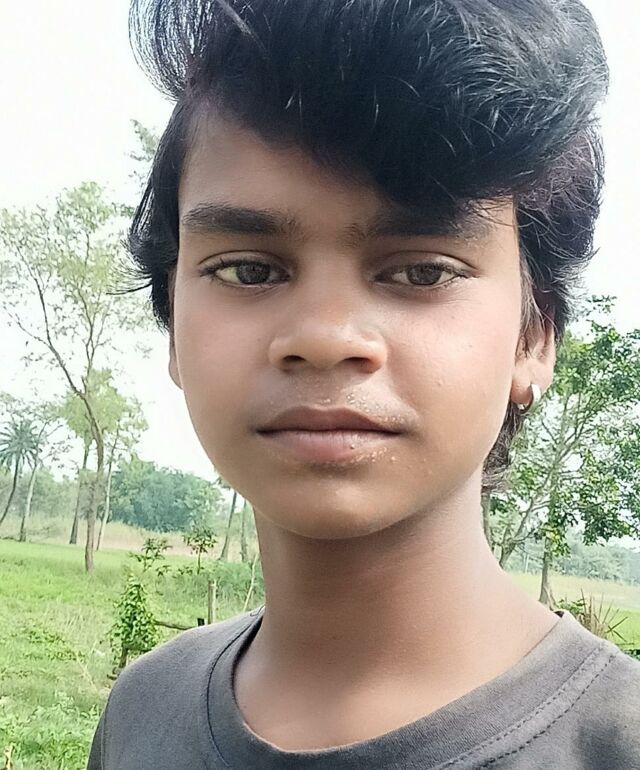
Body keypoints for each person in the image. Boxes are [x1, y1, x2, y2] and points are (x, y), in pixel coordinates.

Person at [88, 0, 640, 767]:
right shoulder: (144, 707)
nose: (324, 338)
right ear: (174, 324)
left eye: (422, 272)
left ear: (533, 334)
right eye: (247, 270)